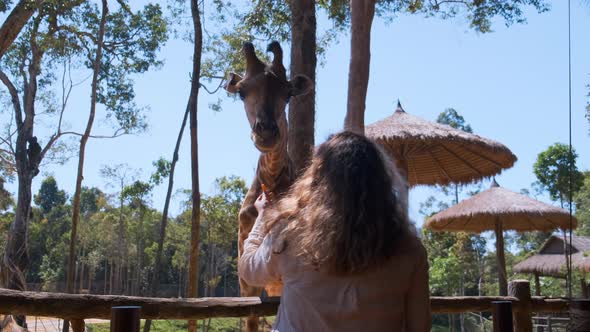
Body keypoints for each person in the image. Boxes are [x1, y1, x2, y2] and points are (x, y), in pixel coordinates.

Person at [239, 131, 431, 331]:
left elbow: (248, 270)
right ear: (382, 181)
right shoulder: (409, 250)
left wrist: (262, 218)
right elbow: (420, 327)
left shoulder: (290, 233)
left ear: (317, 178)